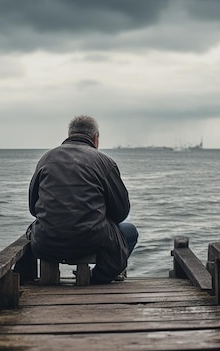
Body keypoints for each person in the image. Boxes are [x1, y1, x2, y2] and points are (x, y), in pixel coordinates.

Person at [27, 115, 138, 283]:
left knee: (31, 231)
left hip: (47, 240)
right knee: (129, 231)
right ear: (96, 138)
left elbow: (33, 208)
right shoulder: (105, 163)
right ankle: (99, 277)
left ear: (70, 134)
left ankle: (25, 277)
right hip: (89, 241)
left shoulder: (46, 159)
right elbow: (121, 212)